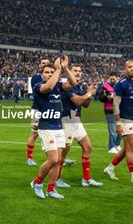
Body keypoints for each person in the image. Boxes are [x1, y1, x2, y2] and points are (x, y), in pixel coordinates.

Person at [31, 56, 77, 199]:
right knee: (53, 159)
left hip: (58, 127)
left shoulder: (59, 86)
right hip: (45, 127)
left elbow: (73, 83)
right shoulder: (38, 86)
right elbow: (49, 87)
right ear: (42, 74)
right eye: (47, 72)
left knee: (58, 161)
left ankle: (51, 189)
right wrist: (58, 70)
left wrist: (65, 68)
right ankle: (37, 183)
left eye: (52, 72)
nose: (50, 74)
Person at [104, 59, 133, 186]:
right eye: (129, 67)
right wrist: (118, 123)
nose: (132, 69)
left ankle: (110, 168)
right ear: (125, 69)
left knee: (126, 149)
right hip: (125, 119)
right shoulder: (121, 84)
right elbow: (115, 104)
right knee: (131, 148)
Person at [59, 65, 103, 188]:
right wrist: (88, 94)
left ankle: (86, 179)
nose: (78, 73)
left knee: (88, 147)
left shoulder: (79, 86)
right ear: (69, 73)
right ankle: (57, 179)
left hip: (76, 120)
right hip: (67, 121)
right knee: (63, 152)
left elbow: (85, 105)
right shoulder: (67, 85)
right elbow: (77, 101)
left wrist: (91, 93)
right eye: (75, 71)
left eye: (79, 71)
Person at [26, 57, 50, 166]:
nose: (45, 64)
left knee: (54, 133)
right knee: (34, 133)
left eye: (47, 63)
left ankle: (58, 157)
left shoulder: (52, 77)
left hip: (50, 109)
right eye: (43, 63)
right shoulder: (35, 78)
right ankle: (29, 158)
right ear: (40, 65)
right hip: (38, 109)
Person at [99, 71, 122, 153]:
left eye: (113, 79)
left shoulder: (120, 85)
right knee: (112, 130)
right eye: (111, 79)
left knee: (121, 129)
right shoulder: (105, 86)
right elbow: (100, 99)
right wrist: (105, 96)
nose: (112, 80)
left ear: (117, 78)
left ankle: (117, 145)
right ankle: (111, 147)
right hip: (109, 109)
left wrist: (114, 96)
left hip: (119, 109)